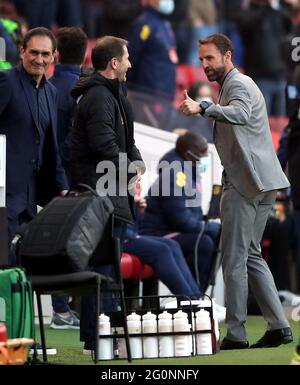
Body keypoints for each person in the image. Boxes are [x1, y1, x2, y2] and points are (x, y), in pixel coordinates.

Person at [179, 33, 293, 349]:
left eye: (210, 58)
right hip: (263, 181)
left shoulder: (238, 85)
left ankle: (237, 334)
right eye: (201, 59)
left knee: (234, 258)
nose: (204, 65)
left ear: (227, 56)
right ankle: (279, 327)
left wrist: (204, 106)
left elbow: (241, 116)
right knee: (251, 255)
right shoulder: (238, 83)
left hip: (246, 183)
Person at [70, 35, 145, 350]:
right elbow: (105, 147)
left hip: (111, 196)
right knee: (101, 269)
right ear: (114, 63)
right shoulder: (100, 97)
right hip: (101, 198)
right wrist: (131, 171)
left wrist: (136, 164)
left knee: (106, 268)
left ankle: (102, 337)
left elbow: (124, 143)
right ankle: (95, 337)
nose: (130, 63)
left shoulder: (113, 94)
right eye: (126, 58)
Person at [0, 27, 68, 255]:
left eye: (45, 54)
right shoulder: (6, 81)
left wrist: (63, 188)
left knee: (20, 264)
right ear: (21, 52)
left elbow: (51, 146)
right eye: (34, 52)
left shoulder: (51, 92)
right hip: (4, 192)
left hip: (31, 194)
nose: (39, 59)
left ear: (53, 57)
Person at [139, 132, 221, 295]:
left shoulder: (189, 172)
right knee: (205, 242)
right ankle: (194, 298)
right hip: (159, 232)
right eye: (202, 153)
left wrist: (208, 224)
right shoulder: (175, 174)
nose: (205, 157)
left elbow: (192, 212)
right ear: (188, 154)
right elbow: (179, 220)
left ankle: (198, 296)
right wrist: (208, 227)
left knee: (217, 236)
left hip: (175, 231)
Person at [48, 27, 88, 330]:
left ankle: (63, 308)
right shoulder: (82, 90)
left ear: (56, 54)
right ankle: (63, 309)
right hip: (72, 177)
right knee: (67, 242)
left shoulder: (48, 86)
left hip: (47, 175)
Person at [124, 193, 202, 299]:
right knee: (162, 250)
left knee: (173, 245)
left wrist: (137, 210)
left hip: (129, 234)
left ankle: (198, 298)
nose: (139, 177)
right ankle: (189, 301)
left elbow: (132, 226)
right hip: (119, 237)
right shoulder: (114, 185)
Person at [127, 0, 178, 101]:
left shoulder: (165, 23)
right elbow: (131, 58)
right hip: (148, 94)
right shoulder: (144, 24)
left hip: (166, 92)